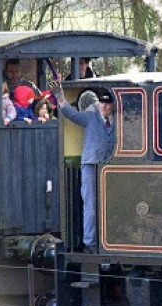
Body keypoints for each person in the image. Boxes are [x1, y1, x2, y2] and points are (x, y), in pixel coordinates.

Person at [49, 80, 116, 253]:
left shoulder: (118, 122)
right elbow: (70, 114)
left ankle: (109, 242)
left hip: (111, 168)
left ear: (113, 105)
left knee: (111, 205)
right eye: (102, 103)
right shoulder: (90, 117)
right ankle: (90, 243)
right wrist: (60, 97)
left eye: (107, 104)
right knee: (91, 207)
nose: (104, 107)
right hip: (90, 166)